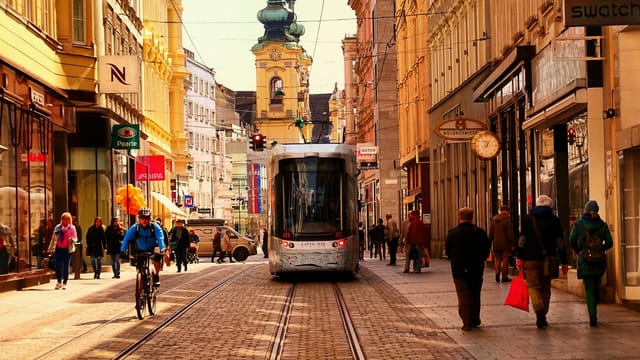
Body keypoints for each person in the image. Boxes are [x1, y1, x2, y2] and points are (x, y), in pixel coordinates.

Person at [517, 195, 569, 329]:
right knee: (545, 287)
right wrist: (564, 261)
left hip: (530, 259)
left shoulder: (528, 219)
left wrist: (519, 257)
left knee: (533, 286)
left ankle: (538, 309)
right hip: (548, 260)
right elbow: (560, 242)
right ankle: (543, 314)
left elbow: (522, 239)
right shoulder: (554, 220)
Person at [445, 207, 492, 331]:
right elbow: (487, 248)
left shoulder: (453, 232)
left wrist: (453, 259)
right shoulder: (480, 232)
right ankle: (475, 318)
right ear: (472, 217)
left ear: (459, 217)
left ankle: (466, 321)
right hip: (476, 268)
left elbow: (448, 250)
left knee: (463, 294)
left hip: (459, 269)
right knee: (475, 293)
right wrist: (482, 258)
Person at [569, 200, 614, 327]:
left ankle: (592, 315)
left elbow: (571, 240)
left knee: (589, 288)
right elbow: (610, 242)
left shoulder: (579, 224)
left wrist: (580, 251)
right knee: (596, 285)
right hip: (599, 261)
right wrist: (600, 249)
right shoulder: (602, 225)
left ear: (586, 210)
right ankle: (594, 311)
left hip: (585, 260)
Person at [120, 208, 166, 286]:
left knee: (157, 257)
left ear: (150, 218)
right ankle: (141, 280)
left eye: (146, 218)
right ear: (139, 219)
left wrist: (162, 248)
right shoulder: (135, 227)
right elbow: (126, 238)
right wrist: (123, 250)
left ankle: (156, 275)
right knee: (140, 267)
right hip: (139, 249)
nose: (144, 220)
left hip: (152, 248)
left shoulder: (155, 227)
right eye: (142, 218)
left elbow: (160, 237)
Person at [47, 212, 78, 290]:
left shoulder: (72, 228)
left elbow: (75, 238)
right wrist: (50, 248)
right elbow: (53, 238)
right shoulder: (58, 227)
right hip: (58, 249)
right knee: (57, 265)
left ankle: (65, 282)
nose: (66, 221)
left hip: (67, 249)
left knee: (65, 266)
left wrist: (72, 240)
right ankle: (59, 282)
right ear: (62, 219)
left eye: (67, 219)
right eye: (64, 219)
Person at [489, 205, 516, 283]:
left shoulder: (493, 219)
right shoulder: (507, 220)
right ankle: (504, 277)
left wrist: (490, 242)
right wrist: (513, 243)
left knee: (497, 259)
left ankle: (497, 273)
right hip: (506, 244)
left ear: (501, 210)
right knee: (505, 260)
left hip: (496, 243)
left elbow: (491, 233)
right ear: (507, 211)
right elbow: (510, 233)